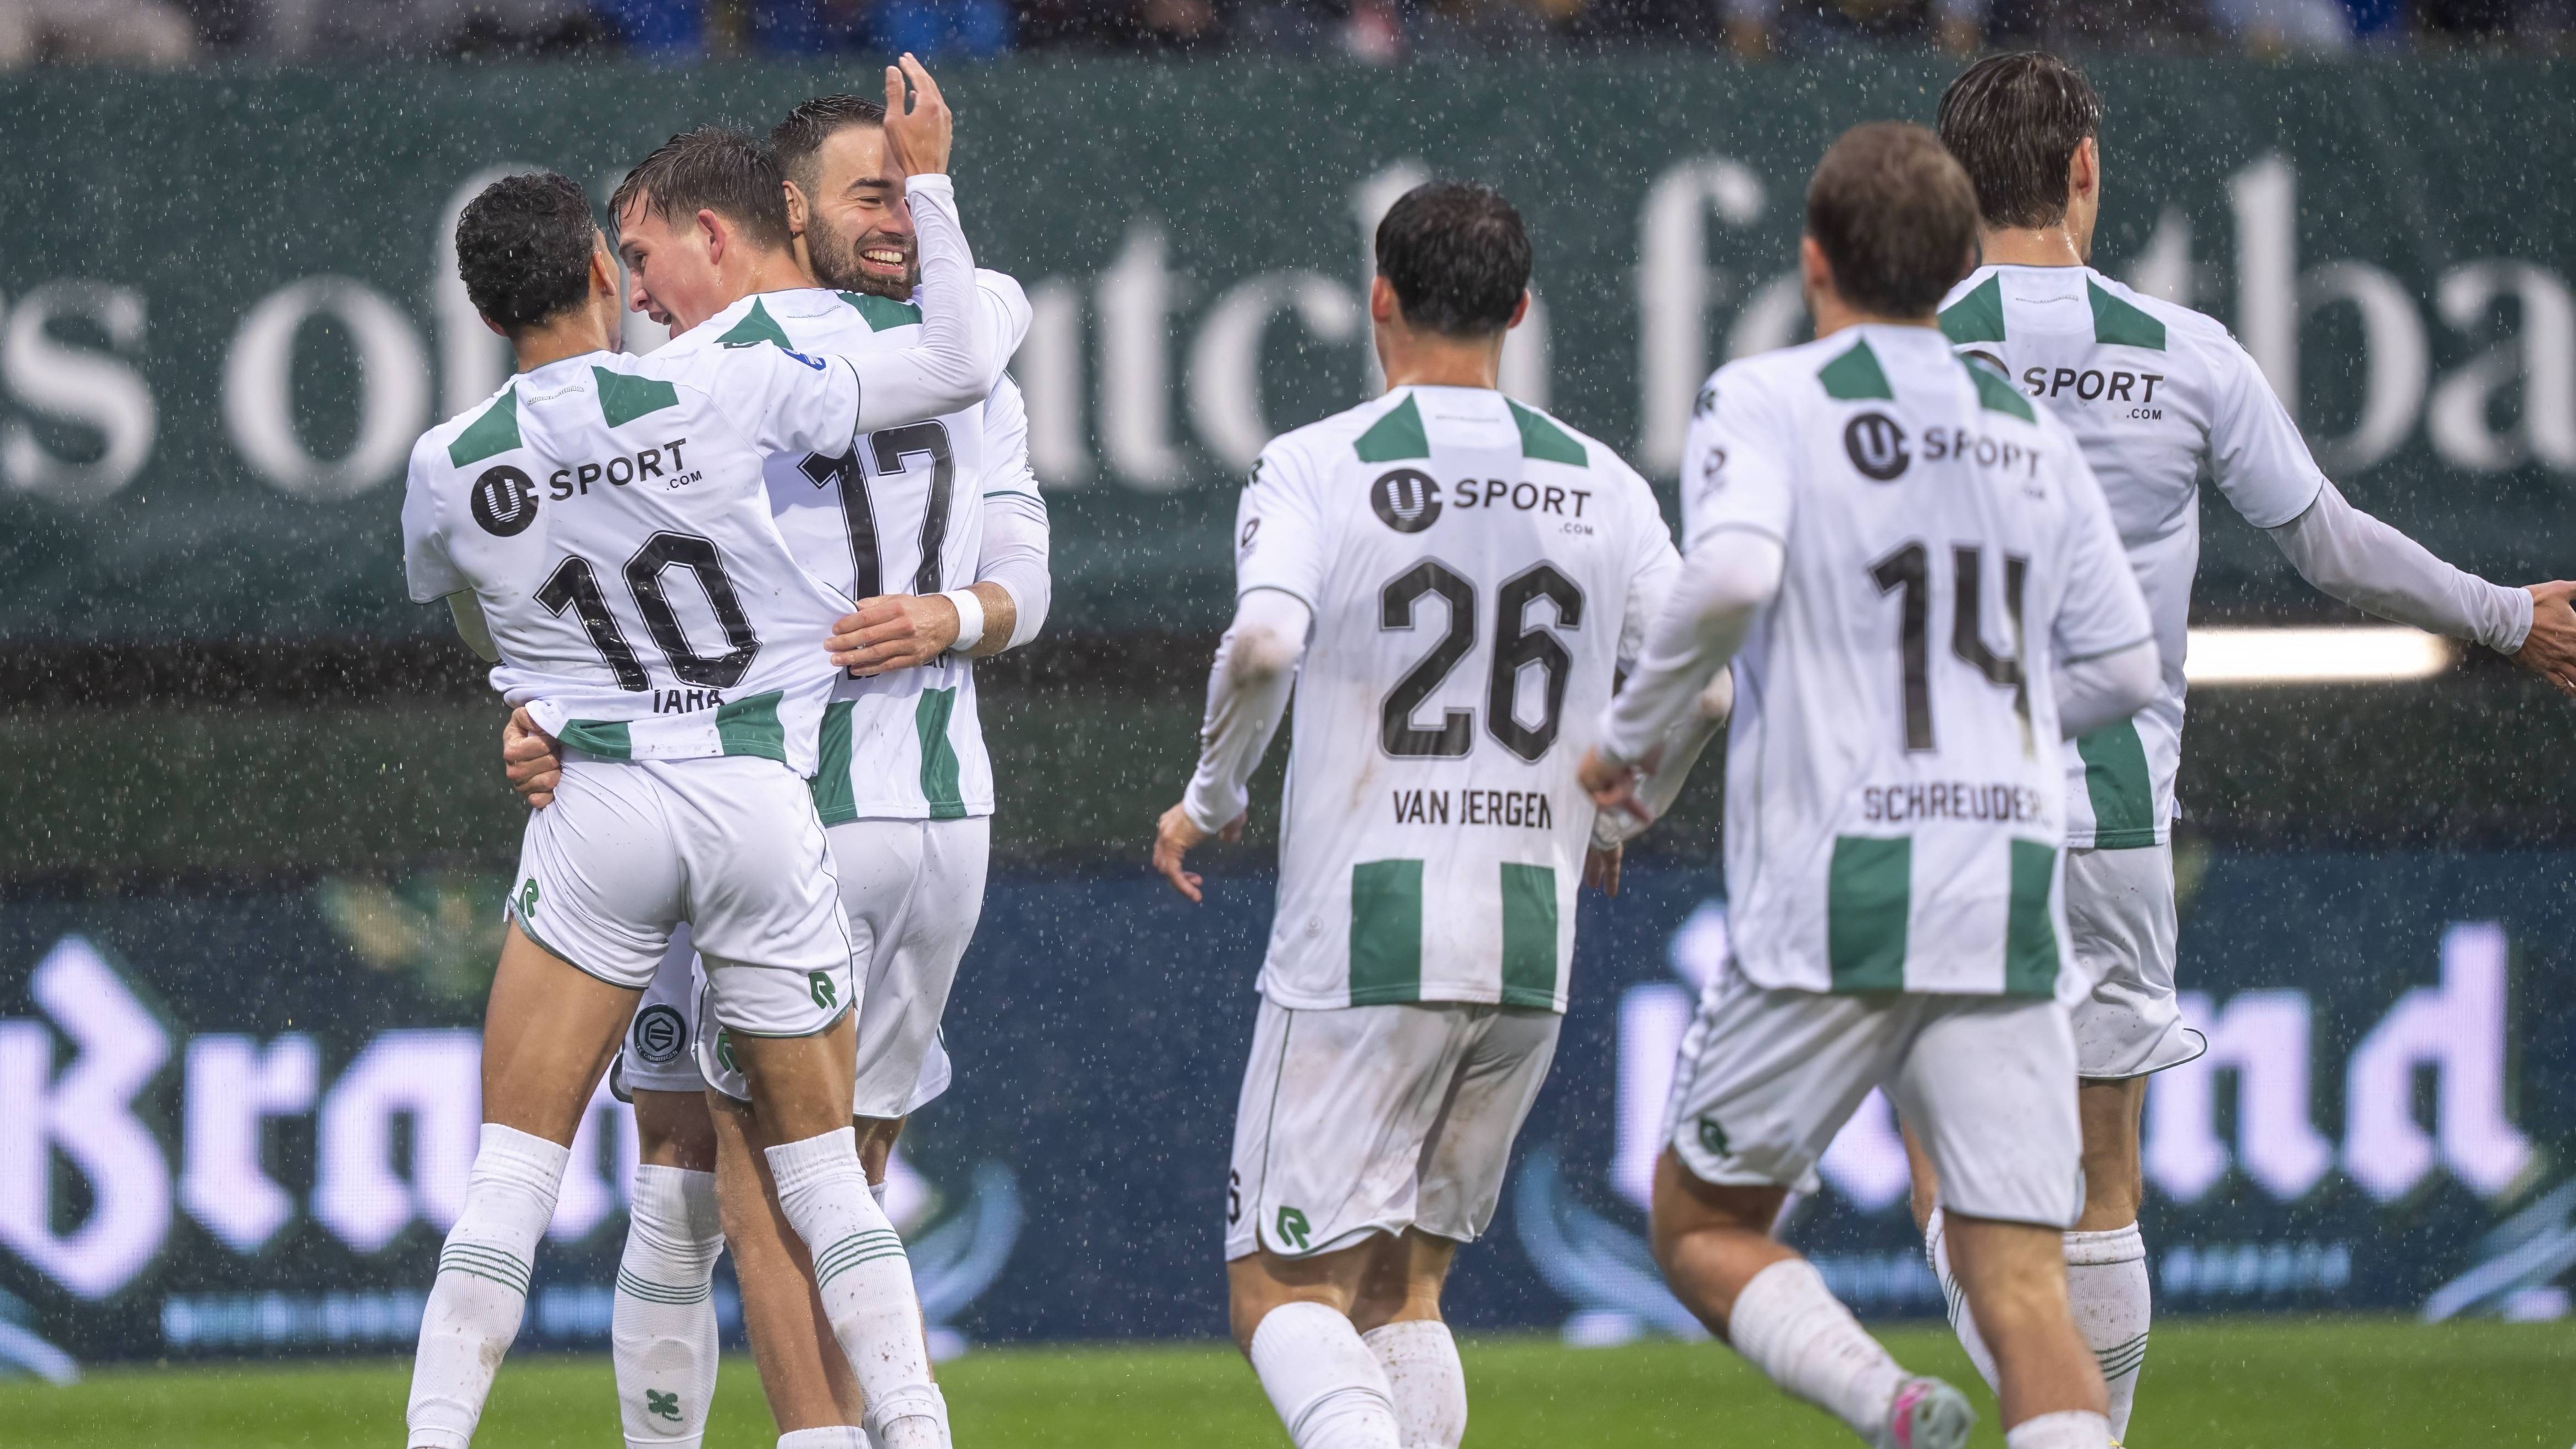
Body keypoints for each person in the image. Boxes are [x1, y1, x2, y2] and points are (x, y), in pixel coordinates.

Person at [1921, 51, 2576, 1441]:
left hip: (1940, 810)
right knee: (2103, 1175)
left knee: (1946, 1146)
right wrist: (2508, 614)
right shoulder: (2187, 353)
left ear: (1949, 188)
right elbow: (2331, 544)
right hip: (2109, 815)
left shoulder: (1893, 356)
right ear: (2086, 169)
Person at [398, 63, 980, 1449]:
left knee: (514, 1178)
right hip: (755, 793)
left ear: (483, 313)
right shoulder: (721, 384)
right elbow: (955, 362)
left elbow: (480, 611)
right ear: (605, 271)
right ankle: (913, 1426)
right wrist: (934, 185)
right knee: (824, 1175)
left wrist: (537, 699)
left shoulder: (446, 462)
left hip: (600, 802)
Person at [1579, 121, 2162, 1449]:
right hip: (2003, 881)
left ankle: (1885, 1403)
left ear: (1813, 264)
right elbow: (2126, 666)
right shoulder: (2026, 427)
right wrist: (1998, 728)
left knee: (1701, 1220)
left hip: (1839, 882)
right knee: (2027, 1292)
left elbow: (1730, 577)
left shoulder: (1768, 397)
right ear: (1961, 265)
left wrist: (1629, 735)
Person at [1151, 181, 1689, 1449]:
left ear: (1379, 299)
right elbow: (1703, 680)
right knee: (1406, 1288)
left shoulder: (1319, 462)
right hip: (1528, 942)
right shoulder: (1606, 484)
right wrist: (1622, 817)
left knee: (1279, 1291)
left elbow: (1266, 643)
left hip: (1368, 935)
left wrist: (1212, 796)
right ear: (1520, 310)